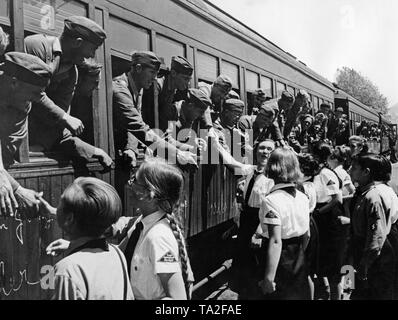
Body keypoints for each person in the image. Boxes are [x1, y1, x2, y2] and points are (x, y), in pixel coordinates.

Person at [25, 16, 107, 160]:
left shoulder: (71, 73)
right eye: (93, 49)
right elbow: (31, 90)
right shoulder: (37, 46)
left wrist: (42, 145)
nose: (91, 55)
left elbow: (60, 115)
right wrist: (64, 117)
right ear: (78, 42)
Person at [40, 177, 134, 300]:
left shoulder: (66, 270)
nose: (57, 208)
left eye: (60, 204)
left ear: (69, 219)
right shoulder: (116, 253)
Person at [118, 159, 194, 299]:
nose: (129, 185)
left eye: (135, 181)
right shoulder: (141, 224)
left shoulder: (158, 238)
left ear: (149, 195)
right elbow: (118, 254)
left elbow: (178, 299)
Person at [112, 50, 197, 169]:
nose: (154, 78)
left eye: (156, 73)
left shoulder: (139, 89)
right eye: (152, 72)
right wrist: (177, 153)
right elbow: (137, 125)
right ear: (138, 68)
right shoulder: (121, 89)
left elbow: (138, 123)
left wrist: (131, 147)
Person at [0, 52, 53, 217]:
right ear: (14, 83)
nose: (38, 99)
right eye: (35, 92)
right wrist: (18, 189)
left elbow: (7, 151)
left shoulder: (23, 105)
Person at [257, 147, 311, 299]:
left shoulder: (271, 200)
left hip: (279, 259)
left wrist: (269, 278)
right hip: (299, 254)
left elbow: (275, 241)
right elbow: (307, 235)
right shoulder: (302, 197)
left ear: (272, 167)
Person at [349, 153, 398, 299]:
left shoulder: (373, 196)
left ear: (366, 172)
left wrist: (364, 266)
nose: (350, 170)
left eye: (354, 168)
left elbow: (377, 236)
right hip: (368, 254)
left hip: (376, 259)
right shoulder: (366, 192)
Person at [312, 142, 348, 300]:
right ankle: (328, 292)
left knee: (333, 264)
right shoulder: (320, 171)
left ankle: (336, 295)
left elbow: (336, 199)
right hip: (323, 217)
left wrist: (319, 212)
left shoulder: (326, 173)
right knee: (325, 261)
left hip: (328, 218)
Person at [142, 56, 193, 131]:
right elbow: (149, 118)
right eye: (185, 78)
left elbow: (165, 116)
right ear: (173, 73)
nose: (188, 83)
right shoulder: (157, 86)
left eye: (189, 79)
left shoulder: (172, 90)